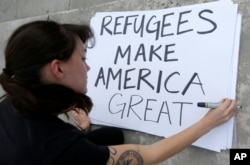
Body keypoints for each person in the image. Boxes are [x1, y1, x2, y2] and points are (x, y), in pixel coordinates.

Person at [0, 20, 238, 165]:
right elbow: (149, 154)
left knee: (112, 134)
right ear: (58, 68)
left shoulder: (12, 99)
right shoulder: (59, 148)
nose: (88, 67)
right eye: (82, 58)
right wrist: (207, 124)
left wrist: (82, 130)